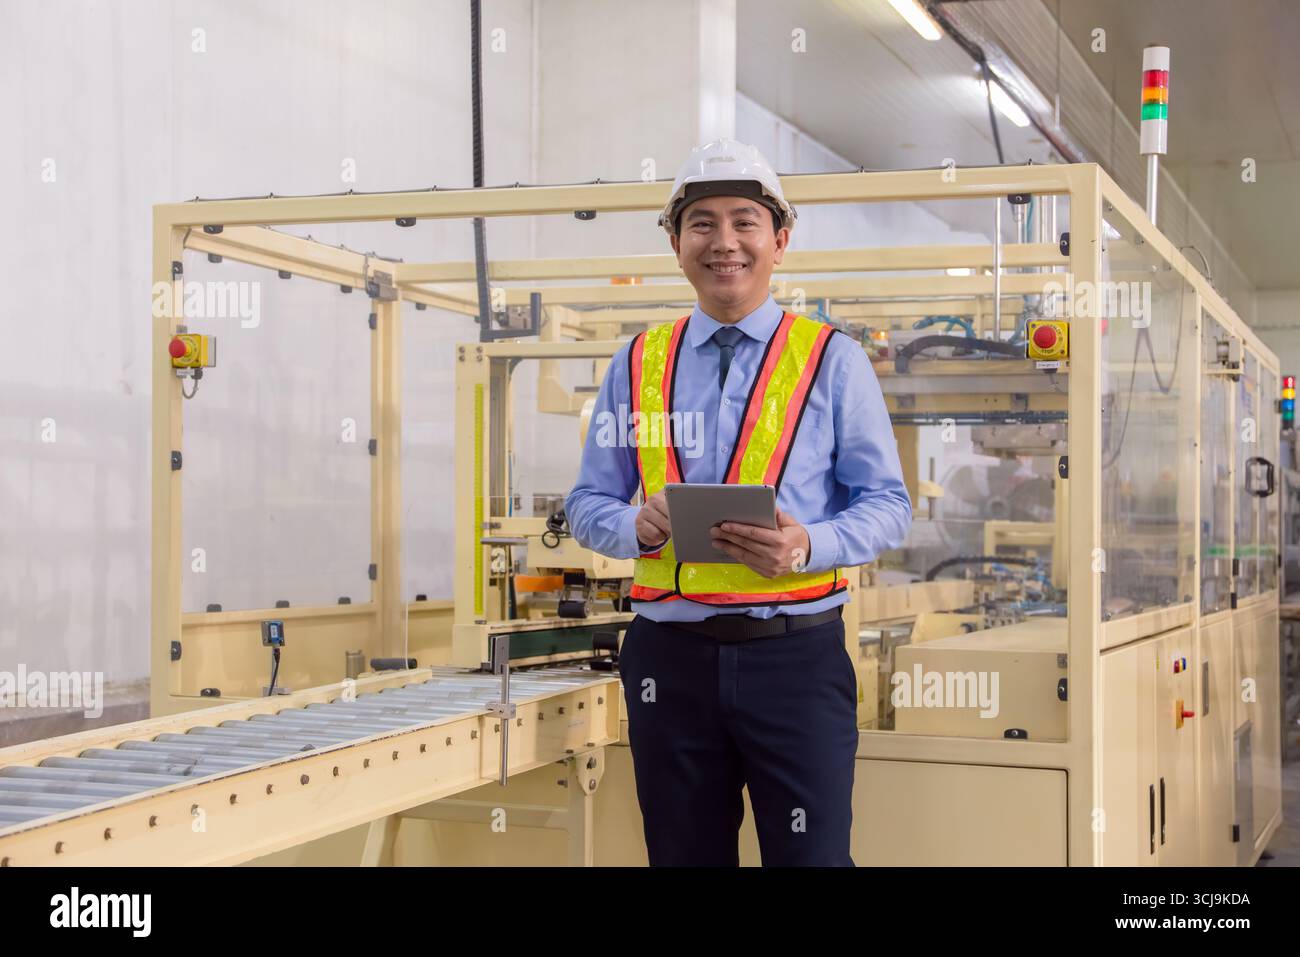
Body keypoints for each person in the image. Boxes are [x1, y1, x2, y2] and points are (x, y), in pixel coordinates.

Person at [565, 139, 912, 866]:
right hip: (668, 661)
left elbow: (888, 504)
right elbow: (588, 500)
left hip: (794, 658)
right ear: (675, 241)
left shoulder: (831, 360)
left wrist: (806, 544)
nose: (724, 242)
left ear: (779, 240)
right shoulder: (637, 363)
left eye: (745, 222)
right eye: (703, 222)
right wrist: (633, 524)